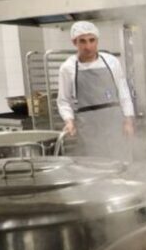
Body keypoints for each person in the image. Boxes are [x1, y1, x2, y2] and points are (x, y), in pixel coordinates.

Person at [57, 21, 135, 160]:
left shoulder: (111, 62)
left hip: (114, 125)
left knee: (120, 162)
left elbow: (123, 93)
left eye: (92, 40)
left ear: (97, 40)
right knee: (93, 164)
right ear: (74, 42)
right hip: (88, 129)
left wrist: (128, 121)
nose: (88, 46)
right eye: (82, 41)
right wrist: (69, 121)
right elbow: (63, 101)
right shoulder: (67, 68)